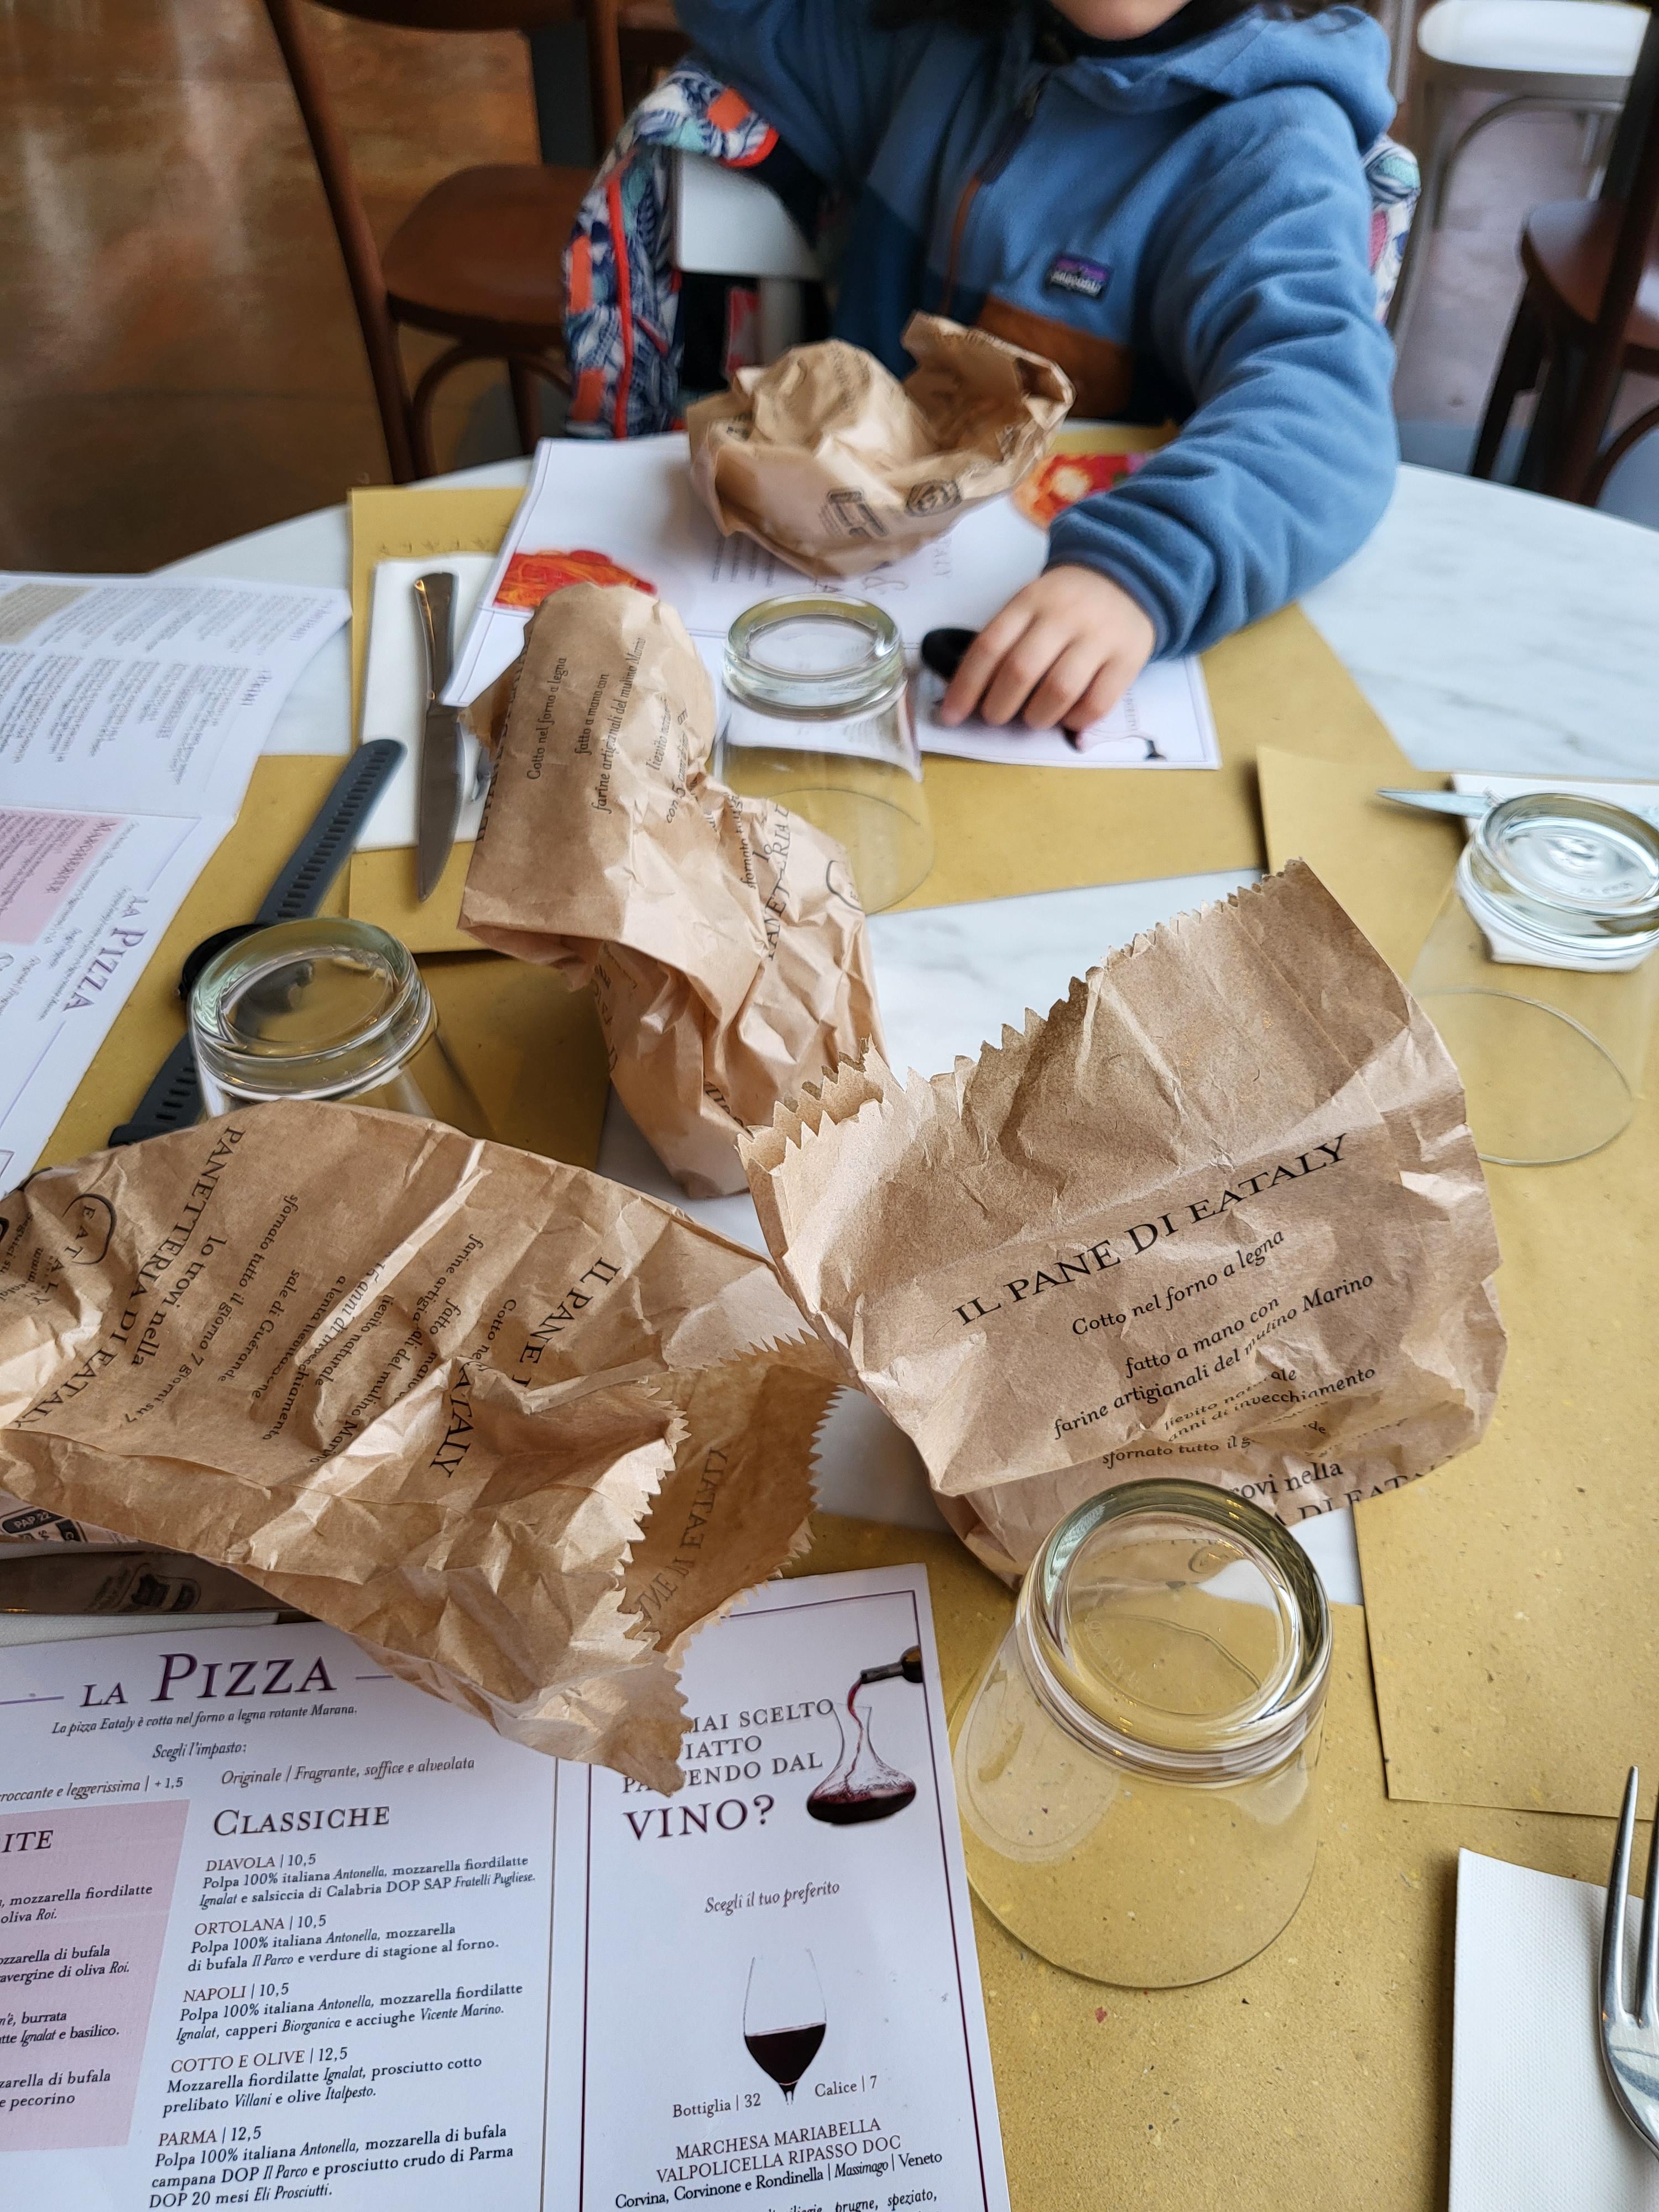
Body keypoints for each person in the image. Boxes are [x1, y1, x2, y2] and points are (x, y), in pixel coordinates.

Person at [660, 0, 1407, 735]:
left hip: (1080, 653)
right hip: (828, 623)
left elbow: (1324, 409)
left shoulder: (1272, 141)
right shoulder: (930, 48)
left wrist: (1138, 571)